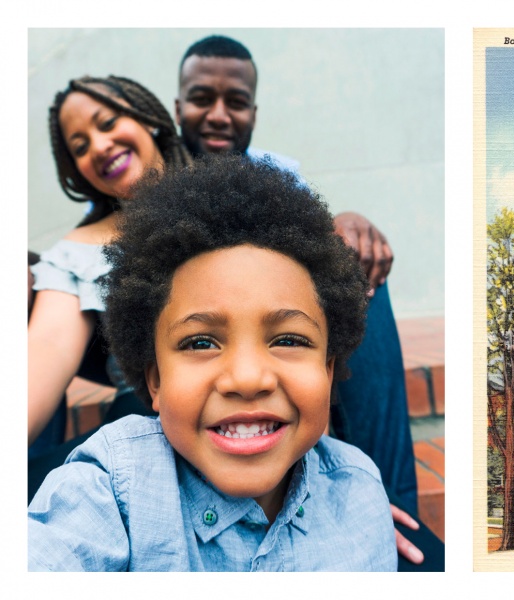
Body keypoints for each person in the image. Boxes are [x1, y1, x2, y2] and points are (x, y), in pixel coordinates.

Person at [29, 155, 397, 571]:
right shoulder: (111, 487)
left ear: (328, 372)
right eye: (200, 342)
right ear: (155, 381)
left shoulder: (359, 494)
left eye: (289, 339)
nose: (246, 378)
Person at [175, 35, 436, 567]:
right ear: (179, 105)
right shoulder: (159, 179)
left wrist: (347, 224)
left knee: (355, 269)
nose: (220, 114)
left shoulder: (279, 176)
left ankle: (391, 506)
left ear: (254, 111)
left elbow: (315, 247)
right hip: (202, 357)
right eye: (203, 98)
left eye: (237, 101)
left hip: (279, 345)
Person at [28, 76, 191, 451]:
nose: (99, 146)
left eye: (107, 123)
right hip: (141, 443)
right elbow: (45, 351)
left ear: (146, 117)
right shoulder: (75, 255)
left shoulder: (236, 195)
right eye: (80, 147)